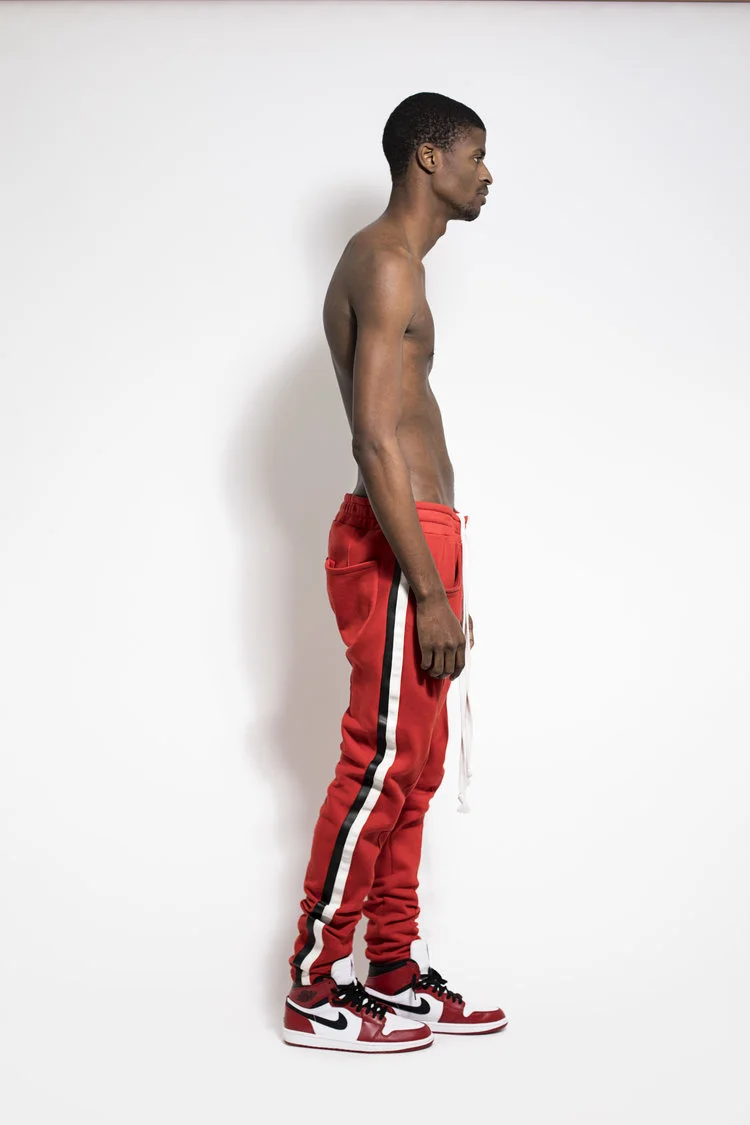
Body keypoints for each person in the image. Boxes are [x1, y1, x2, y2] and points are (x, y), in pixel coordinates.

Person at [282, 92, 507, 1054]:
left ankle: (392, 970)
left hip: (425, 538)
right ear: (428, 157)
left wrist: (442, 568)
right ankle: (312, 985)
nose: (487, 174)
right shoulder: (383, 261)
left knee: (414, 772)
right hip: (395, 545)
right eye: (476, 155)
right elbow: (374, 437)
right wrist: (428, 587)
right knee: (378, 764)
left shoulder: (405, 267)